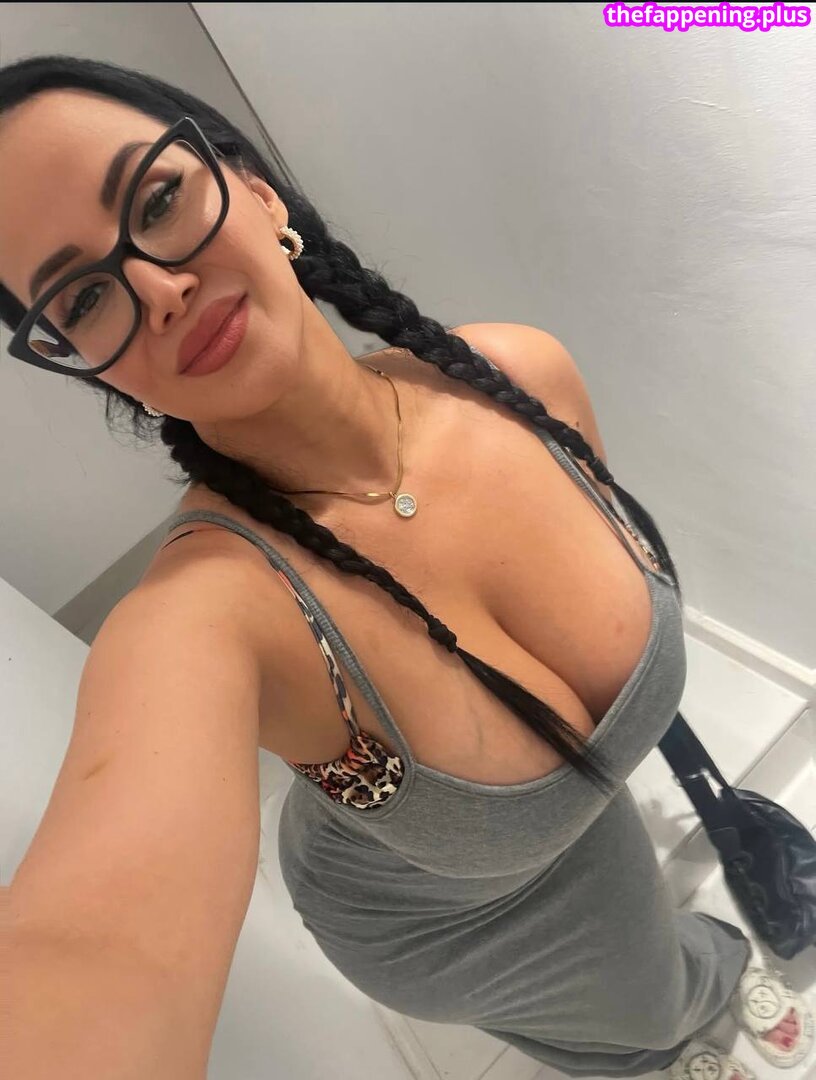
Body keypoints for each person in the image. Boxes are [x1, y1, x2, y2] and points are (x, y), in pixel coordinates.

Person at [4, 54, 811, 1080]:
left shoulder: (518, 375)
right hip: (419, 924)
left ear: (255, 189)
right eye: (81, 299)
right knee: (632, 1011)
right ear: (91, 365)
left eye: (158, 200)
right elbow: (90, 951)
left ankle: (696, 994)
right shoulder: (201, 614)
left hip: (569, 826)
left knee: (646, 965)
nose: (157, 289)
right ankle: (666, 1041)